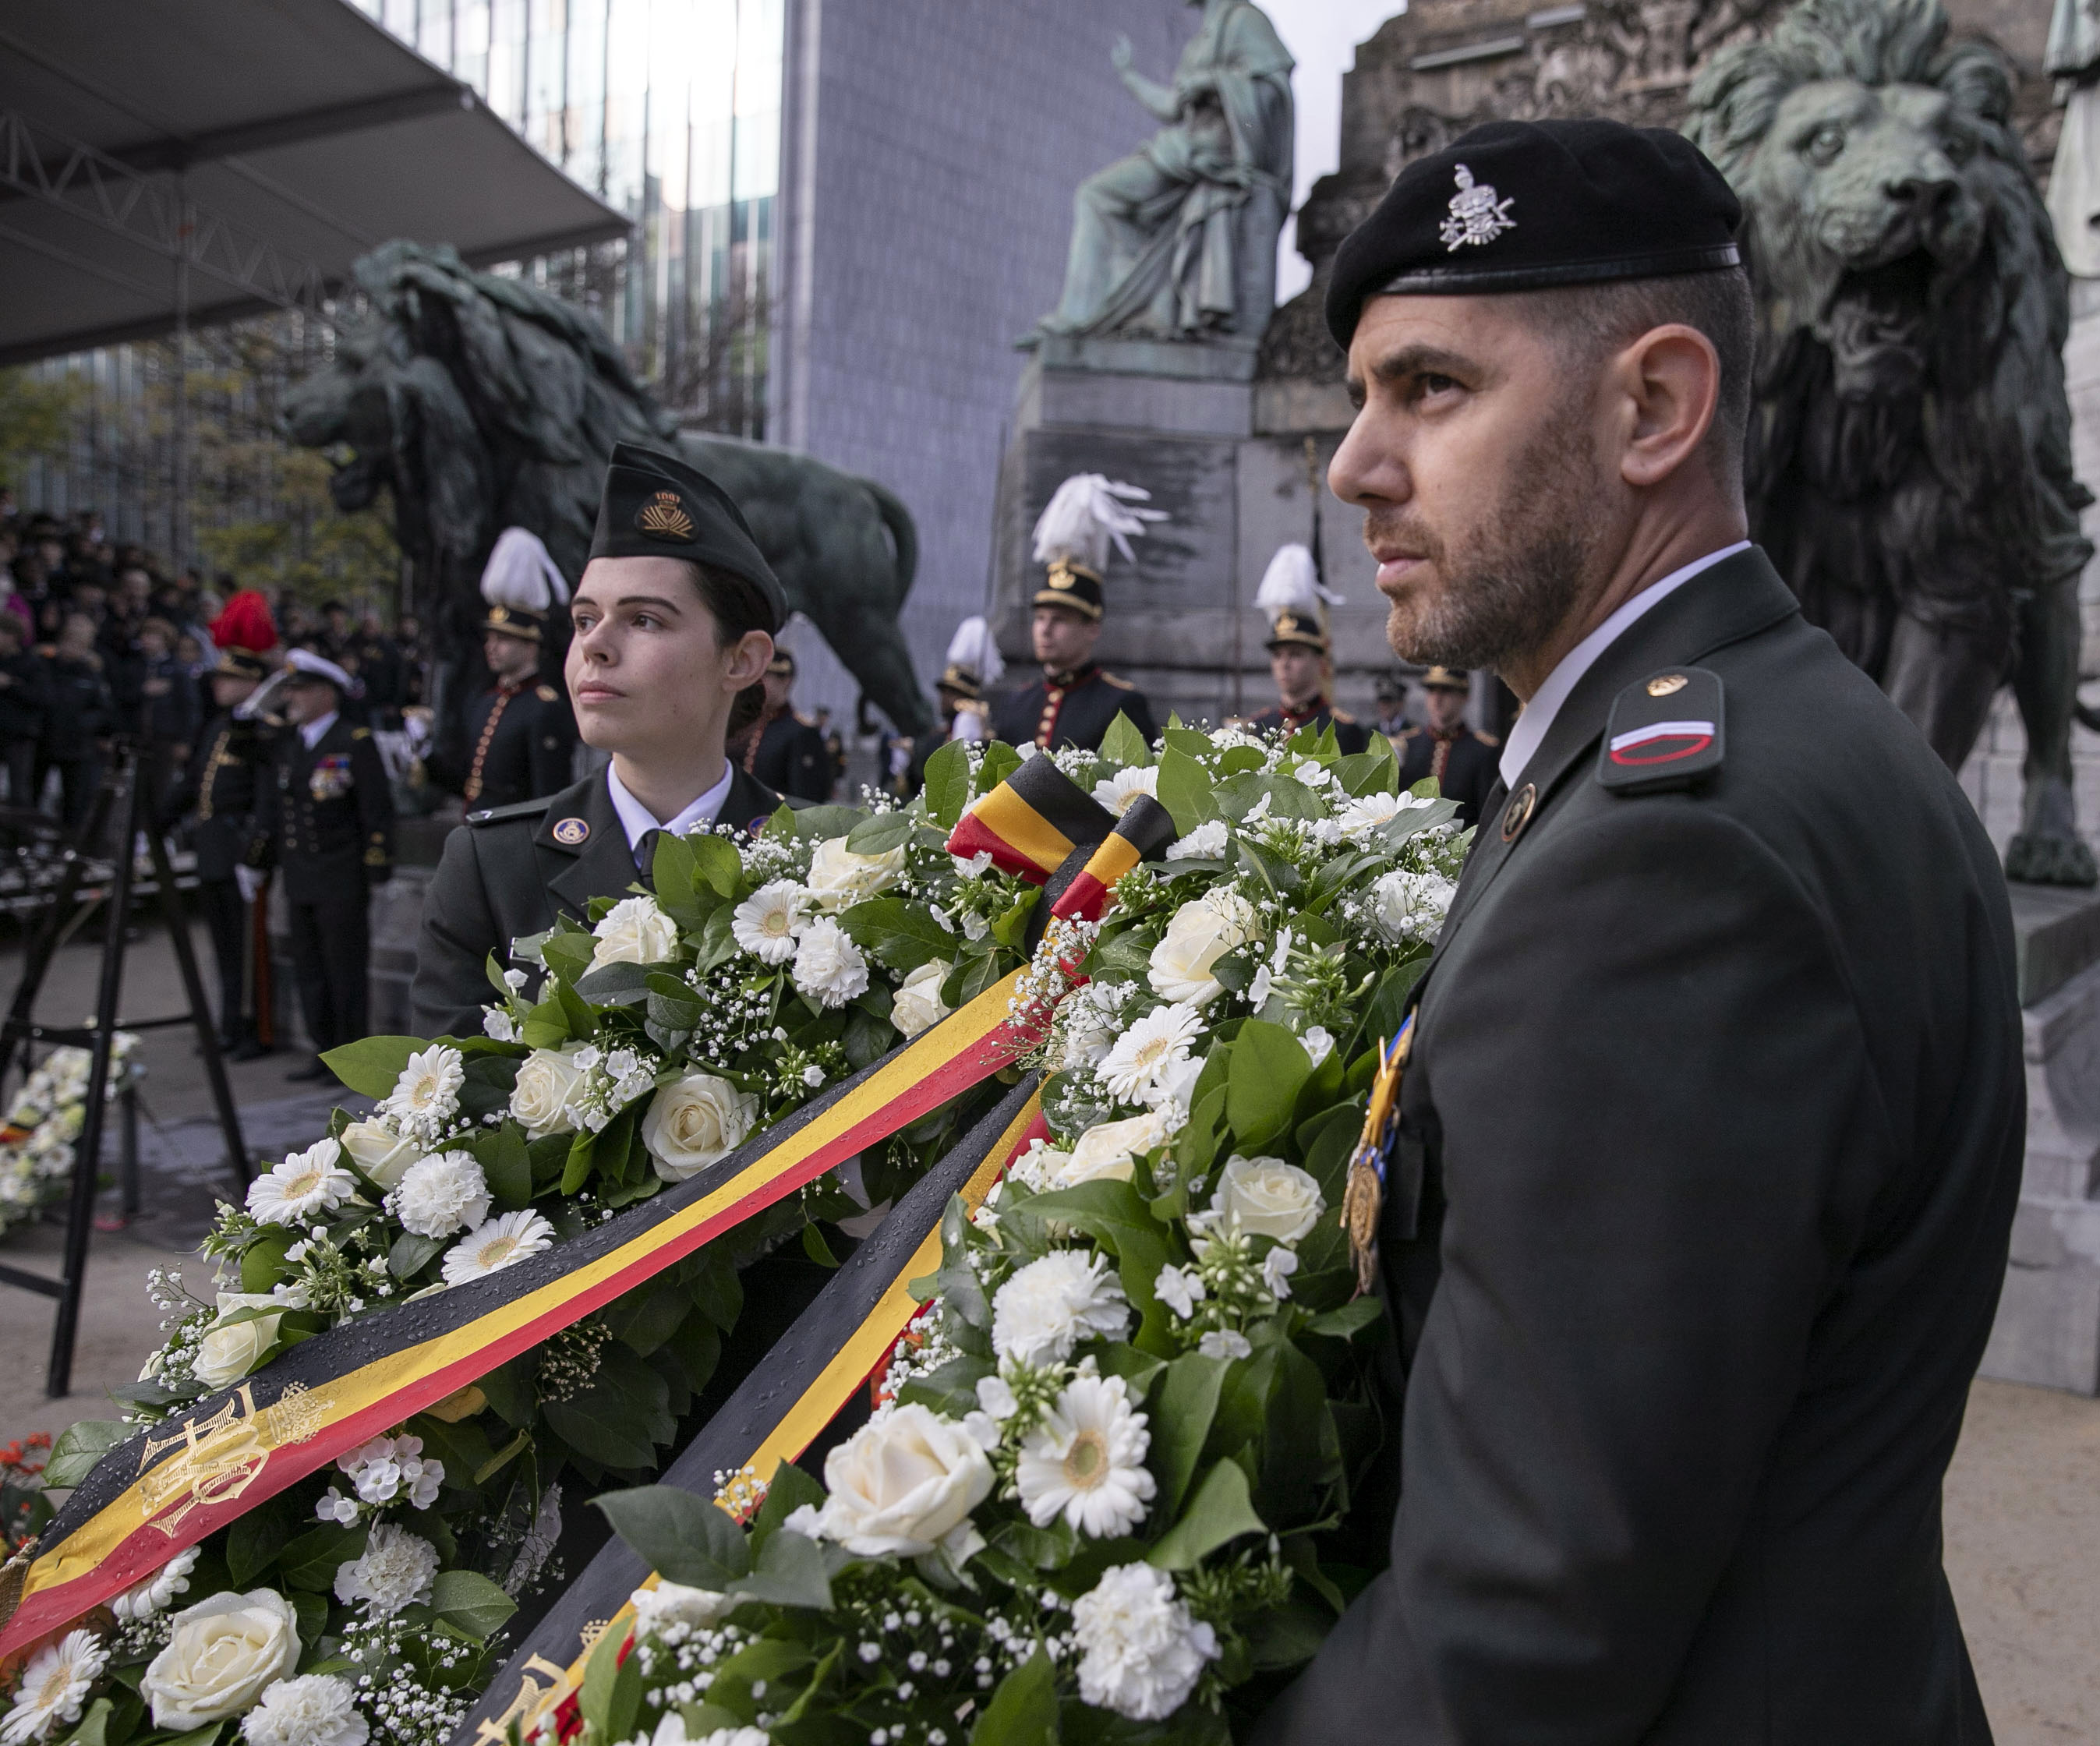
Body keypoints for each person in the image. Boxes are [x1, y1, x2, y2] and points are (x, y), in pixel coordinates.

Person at [1257, 119, 2022, 1744]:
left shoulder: (1671, 863)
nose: (1354, 464)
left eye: (1432, 388)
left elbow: (1511, 1637)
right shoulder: (1773, 741)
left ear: (1656, 407)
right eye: (1360, 396)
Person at [412, 444, 788, 1040]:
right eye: (585, 619)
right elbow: (446, 1107)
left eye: (644, 620)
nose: (595, 645)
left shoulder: (828, 862)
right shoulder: (492, 866)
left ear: (742, 660)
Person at [251, 649, 394, 1083]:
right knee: (309, 969)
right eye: (290, 688)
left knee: (343, 969)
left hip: (340, 874)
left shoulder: (353, 741)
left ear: (327, 694)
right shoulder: (289, 744)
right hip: (300, 875)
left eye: (302, 689)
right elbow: (278, 807)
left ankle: (353, 1054)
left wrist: (377, 863)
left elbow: (375, 808)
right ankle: (324, 1049)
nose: (292, 697)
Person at [991, 474, 1160, 751]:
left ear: (1092, 628)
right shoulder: (1015, 704)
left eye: (1059, 620)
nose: (1045, 629)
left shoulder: (1120, 705)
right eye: (1041, 618)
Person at [176, 641, 279, 1060]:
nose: (220, 685)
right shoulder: (217, 726)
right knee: (222, 948)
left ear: (253, 683)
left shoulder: (262, 730)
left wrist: (254, 853)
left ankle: (253, 1029)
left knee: (248, 949)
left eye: (231, 679)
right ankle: (228, 1025)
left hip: (240, 853)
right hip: (211, 850)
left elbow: (265, 797)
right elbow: (194, 785)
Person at [444, 530, 578, 810]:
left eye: (503, 640)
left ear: (531, 647)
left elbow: (547, 798)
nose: (491, 647)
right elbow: (470, 784)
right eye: (490, 638)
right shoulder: (485, 701)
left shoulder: (545, 708)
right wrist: (425, 758)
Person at [1246, 543, 1367, 751]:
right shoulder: (1258, 726)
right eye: (1277, 655)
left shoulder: (1342, 730)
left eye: (1296, 655)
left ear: (1319, 660)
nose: (1284, 664)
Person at [36, 613, 112, 832]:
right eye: (68, 642)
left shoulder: (91, 673)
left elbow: (103, 710)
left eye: (78, 644)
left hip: (77, 746)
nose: (72, 649)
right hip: (44, 740)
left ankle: (69, 843)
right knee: (36, 794)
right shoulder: (43, 665)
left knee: (75, 800)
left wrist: (83, 724)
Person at [1394, 665, 1497, 825]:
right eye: (1432, 691)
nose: (1437, 699)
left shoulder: (1483, 751)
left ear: (1465, 695)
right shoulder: (1407, 745)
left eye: (1446, 691)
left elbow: (1487, 817)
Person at [741, 648, 833, 801]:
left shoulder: (802, 733)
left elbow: (805, 800)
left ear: (786, 681)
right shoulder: (751, 727)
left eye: (764, 678)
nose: (756, 684)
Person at [0, 614, 45, 808]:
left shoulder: (31, 662)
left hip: (19, 736)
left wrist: (10, 684)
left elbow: (41, 696)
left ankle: (19, 838)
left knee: (19, 790)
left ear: (12, 636)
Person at [936, 617, 1002, 745]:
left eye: (952, 693)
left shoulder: (968, 720)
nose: (944, 698)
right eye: (944, 692)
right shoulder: (940, 733)